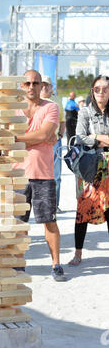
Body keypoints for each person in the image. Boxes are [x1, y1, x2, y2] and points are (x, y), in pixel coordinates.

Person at [15, 70, 67, 282]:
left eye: (35, 83)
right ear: (22, 86)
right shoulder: (13, 109)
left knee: (49, 221)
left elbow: (46, 134)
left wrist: (16, 139)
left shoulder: (51, 107)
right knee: (18, 224)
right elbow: (42, 137)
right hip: (17, 175)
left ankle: (56, 264)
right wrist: (38, 138)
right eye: (27, 83)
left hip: (43, 174)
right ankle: (18, 264)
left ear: (41, 85)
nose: (31, 87)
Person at [68, 75, 109, 266]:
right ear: (92, 91)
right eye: (97, 88)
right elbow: (80, 137)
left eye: (105, 89)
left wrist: (95, 136)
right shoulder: (85, 112)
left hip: (107, 166)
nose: (101, 92)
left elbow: (89, 136)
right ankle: (78, 253)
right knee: (83, 209)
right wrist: (100, 139)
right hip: (88, 164)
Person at [40, 75, 66, 211]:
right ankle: (42, 204)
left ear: (51, 87)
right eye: (42, 84)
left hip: (55, 142)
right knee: (38, 175)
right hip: (38, 143)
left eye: (47, 85)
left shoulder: (57, 101)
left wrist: (60, 135)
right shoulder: (35, 100)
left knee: (56, 176)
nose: (44, 87)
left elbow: (62, 121)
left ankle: (54, 205)